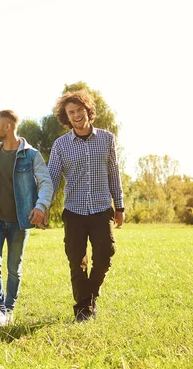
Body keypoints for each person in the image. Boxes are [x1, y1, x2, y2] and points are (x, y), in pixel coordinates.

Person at [47, 89, 125, 323]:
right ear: (66, 117)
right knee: (76, 261)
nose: (76, 115)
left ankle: (90, 297)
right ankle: (83, 309)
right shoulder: (60, 145)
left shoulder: (107, 139)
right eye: (71, 112)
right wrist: (43, 207)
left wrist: (119, 206)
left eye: (79, 110)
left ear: (88, 111)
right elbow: (51, 178)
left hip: (102, 209)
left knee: (105, 256)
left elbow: (114, 174)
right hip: (74, 212)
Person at [0, 110, 53, 327]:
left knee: (14, 268)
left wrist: (40, 206)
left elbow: (46, 182)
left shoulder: (31, 155)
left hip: (19, 221)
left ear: (7, 127)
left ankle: (9, 309)